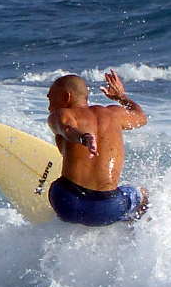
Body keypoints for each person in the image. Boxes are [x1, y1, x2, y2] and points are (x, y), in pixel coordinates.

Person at [46, 70, 148, 226]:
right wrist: (122, 97)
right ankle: (133, 232)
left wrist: (83, 137)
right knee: (142, 194)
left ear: (66, 97)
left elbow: (67, 128)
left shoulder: (62, 114)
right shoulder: (114, 114)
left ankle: (58, 223)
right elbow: (141, 117)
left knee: (58, 187)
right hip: (109, 208)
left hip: (66, 203)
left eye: (51, 100)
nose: (49, 107)